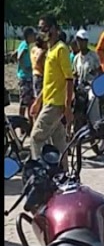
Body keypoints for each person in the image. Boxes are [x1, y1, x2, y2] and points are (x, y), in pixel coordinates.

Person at [29, 14, 74, 167]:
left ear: (53, 29)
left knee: (36, 138)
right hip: (49, 101)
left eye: (44, 28)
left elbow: (69, 79)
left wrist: (68, 107)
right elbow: (50, 82)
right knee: (59, 141)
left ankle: (38, 174)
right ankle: (65, 175)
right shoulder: (51, 50)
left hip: (56, 104)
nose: (41, 32)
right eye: (40, 29)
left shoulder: (61, 49)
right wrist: (38, 100)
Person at [15, 27, 36, 122]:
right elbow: (19, 57)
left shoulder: (26, 45)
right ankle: (21, 122)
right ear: (28, 36)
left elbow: (15, 54)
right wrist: (24, 67)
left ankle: (29, 122)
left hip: (28, 76)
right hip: (25, 77)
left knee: (30, 101)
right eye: (32, 35)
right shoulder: (25, 46)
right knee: (24, 101)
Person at [31, 34, 48, 101]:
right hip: (40, 75)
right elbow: (38, 60)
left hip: (35, 74)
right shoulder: (41, 51)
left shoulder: (34, 49)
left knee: (37, 95)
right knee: (40, 97)